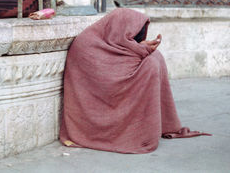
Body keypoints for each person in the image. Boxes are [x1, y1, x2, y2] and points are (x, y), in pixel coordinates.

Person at [60, 8, 210, 154]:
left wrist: (140, 48)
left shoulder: (111, 37)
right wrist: (140, 50)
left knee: (155, 57)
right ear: (119, 27)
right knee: (150, 65)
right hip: (95, 114)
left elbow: (119, 52)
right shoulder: (86, 44)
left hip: (111, 94)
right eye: (130, 37)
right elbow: (107, 79)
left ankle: (156, 125)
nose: (132, 41)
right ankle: (135, 133)